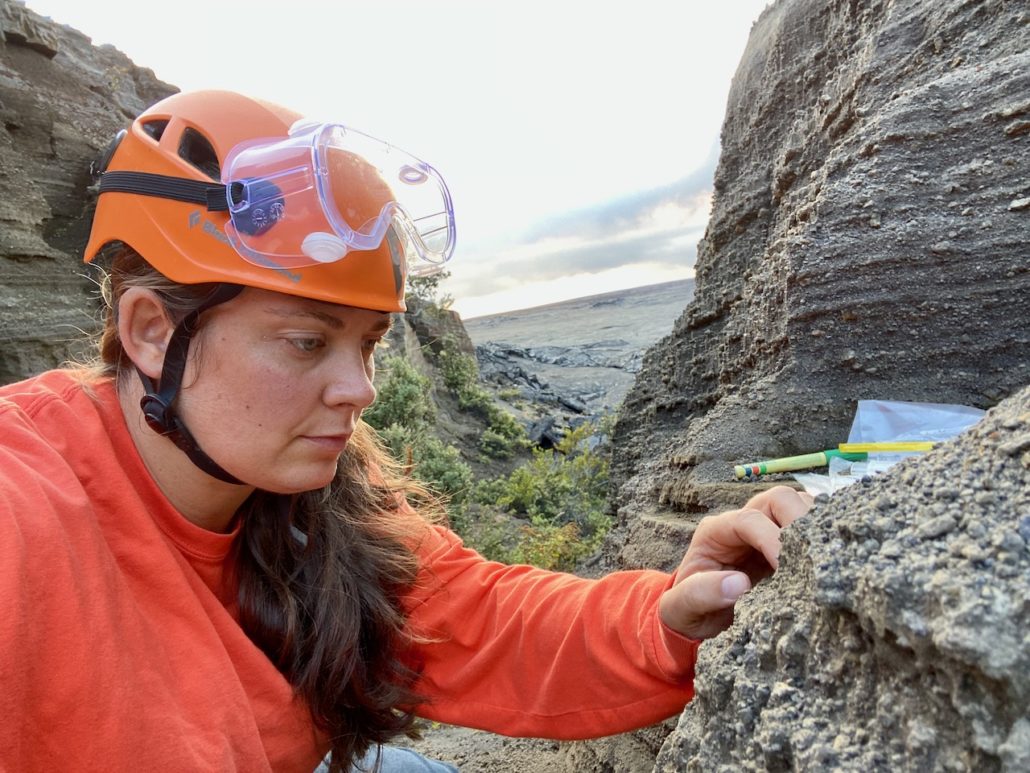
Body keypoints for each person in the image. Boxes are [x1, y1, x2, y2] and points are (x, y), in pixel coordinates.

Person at [0, 90, 812, 772]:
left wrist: (670, 614)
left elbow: (480, 615)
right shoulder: (25, 509)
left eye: (368, 343)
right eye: (308, 341)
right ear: (150, 332)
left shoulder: (316, 504)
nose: (359, 390)